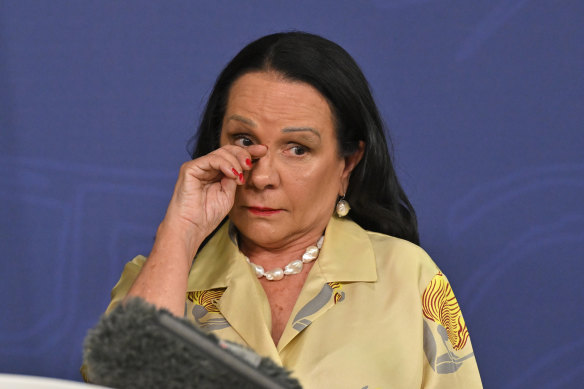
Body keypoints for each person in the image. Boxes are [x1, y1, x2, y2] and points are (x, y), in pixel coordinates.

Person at [99, 32, 482, 388]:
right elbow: (123, 378)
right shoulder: (155, 277)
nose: (263, 176)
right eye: (244, 140)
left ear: (347, 163)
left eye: (298, 149)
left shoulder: (409, 278)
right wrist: (180, 228)